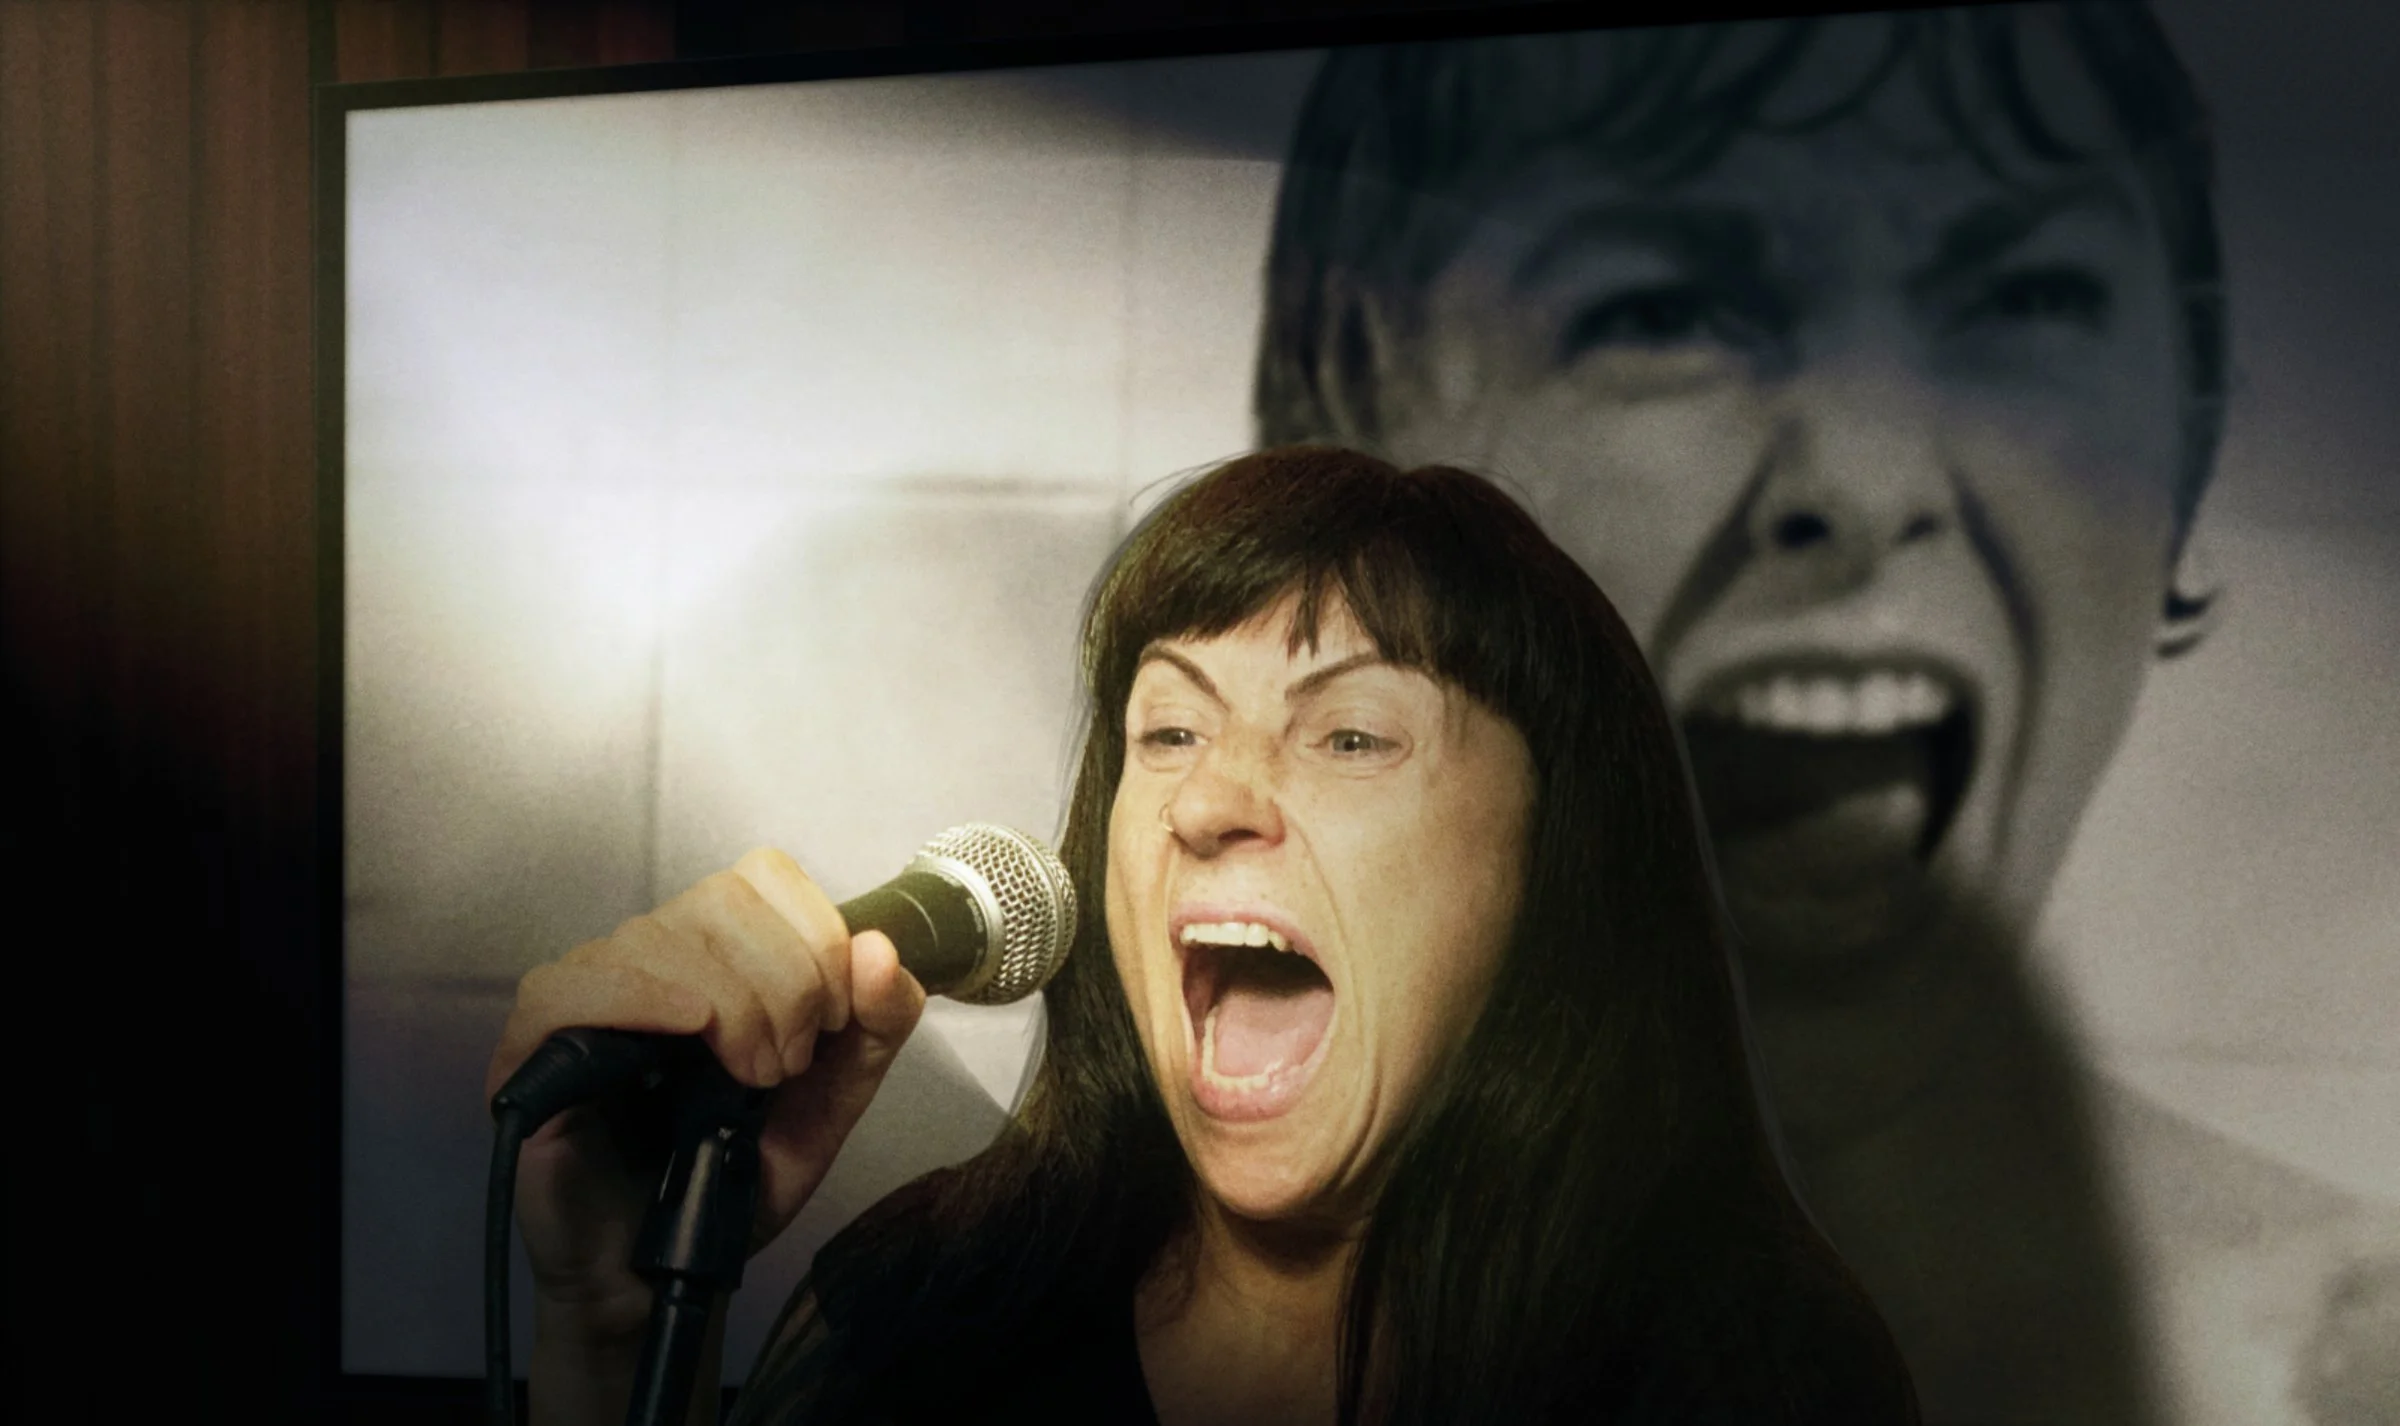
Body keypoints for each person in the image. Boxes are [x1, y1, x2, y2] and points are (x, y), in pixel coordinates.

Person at [1251, 6, 2400, 1424]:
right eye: (1665, 308)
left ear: (2190, 431)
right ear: (1361, 425)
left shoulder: (2346, 1371)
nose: (1865, 477)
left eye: (2026, 299)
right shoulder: (1107, 1324)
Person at [488, 446, 1921, 1425]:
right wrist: (608, 1336)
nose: (1206, 800)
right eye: (1166, 728)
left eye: (1352, 733)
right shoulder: (920, 1310)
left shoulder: (1753, 1370)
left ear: (1556, 866)